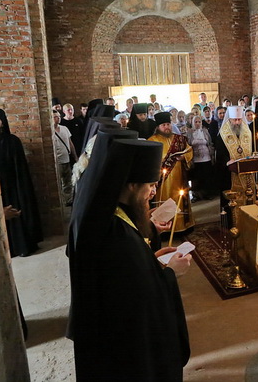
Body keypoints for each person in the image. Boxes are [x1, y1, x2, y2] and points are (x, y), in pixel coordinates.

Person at [67, 137, 191, 381]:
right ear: (132, 186)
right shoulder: (115, 233)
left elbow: (130, 274)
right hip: (126, 352)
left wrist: (150, 258)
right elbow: (139, 299)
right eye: (151, 185)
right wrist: (171, 273)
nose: (153, 191)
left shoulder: (110, 213)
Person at [0, 109, 43, 257]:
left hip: (13, 183)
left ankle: (22, 245)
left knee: (16, 212)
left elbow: (20, 168)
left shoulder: (12, 141)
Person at [148, 112, 195, 234]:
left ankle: (182, 227)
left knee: (179, 198)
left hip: (179, 177)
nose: (167, 127)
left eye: (168, 124)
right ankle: (164, 229)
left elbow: (189, 150)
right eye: (163, 125)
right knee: (164, 201)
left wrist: (183, 157)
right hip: (163, 180)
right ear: (158, 127)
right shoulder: (152, 141)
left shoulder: (178, 139)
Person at [214, 106, 255, 195]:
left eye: (239, 120)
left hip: (246, 169)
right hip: (229, 172)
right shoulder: (223, 134)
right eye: (235, 120)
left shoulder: (247, 131)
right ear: (229, 119)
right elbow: (220, 153)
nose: (237, 122)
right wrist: (227, 161)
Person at [53, 110, 78, 206]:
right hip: (57, 162)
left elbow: (70, 143)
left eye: (59, 116)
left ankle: (69, 200)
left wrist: (75, 156)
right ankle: (60, 201)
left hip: (66, 159)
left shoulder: (64, 128)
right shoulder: (50, 131)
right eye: (55, 117)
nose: (58, 118)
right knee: (58, 183)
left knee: (68, 182)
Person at [187, 115, 214, 201]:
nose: (198, 124)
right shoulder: (190, 132)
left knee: (206, 177)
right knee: (196, 178)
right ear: (193, 123)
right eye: (196, 122)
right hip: (195, 159)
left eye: (199, 122)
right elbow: (188, 144)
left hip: (206, 158)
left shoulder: (205, 131)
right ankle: (196, 195)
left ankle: (206, 194)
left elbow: (209, 142)